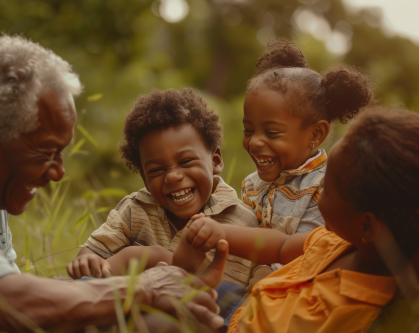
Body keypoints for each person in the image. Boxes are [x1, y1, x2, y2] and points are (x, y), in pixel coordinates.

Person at [0, 35, 225, 332]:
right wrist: (141, 289)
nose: (59, 172)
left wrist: (143, 289)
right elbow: (2, 300)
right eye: (47, 152)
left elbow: (14, 294)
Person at [173, 106, 419, 332]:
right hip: (243, 305)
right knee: (165, 287)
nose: (318, 191)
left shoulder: (357, 315)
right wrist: (222, 233)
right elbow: (280, 246)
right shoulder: (337, 243)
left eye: (327, 189)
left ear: (367, 226)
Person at [67, 87, 259, 288]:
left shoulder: (243, 220)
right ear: (144, 177)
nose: (173, 177)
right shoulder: (135, 209)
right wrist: (87, 261)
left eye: (186, 161)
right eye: (157, 170)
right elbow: (93, 253)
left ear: (215, 161)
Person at [240, 38, 372, 278]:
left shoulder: (326, 189)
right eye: (248, 130)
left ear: (316, 134)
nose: (255, 142)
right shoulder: (251, 185)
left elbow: (312, 253)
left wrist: (262, 274)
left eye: (272, 132)